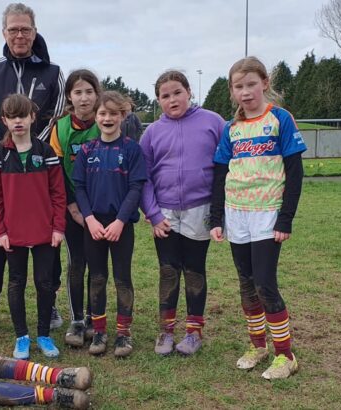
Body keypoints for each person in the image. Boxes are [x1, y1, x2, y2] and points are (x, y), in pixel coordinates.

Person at [0, 1, 66, 335]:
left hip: (38, 165)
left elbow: (54, 113)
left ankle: (49, 303)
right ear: (4, 33)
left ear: (34, 31)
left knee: (45, 236)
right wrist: (3, 149)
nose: (20, 35)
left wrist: (31, 147)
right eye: (13, 29)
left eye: (25, 29)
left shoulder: (53, 72)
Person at [209, 57, 306, 380]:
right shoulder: (231, 128)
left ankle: (285, 355)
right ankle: (258, 345)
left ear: (264, 83)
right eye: (239, 86)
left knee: (265, 284)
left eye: (251, 84)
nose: (246, 92)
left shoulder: (280, 119)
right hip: (237, 214)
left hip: (267, 214)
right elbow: (220, 174)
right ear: (232, 91)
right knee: (246, 284)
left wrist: (285, 219)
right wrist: (217, 216)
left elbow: (295, 173)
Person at [139, 70, 225, 356]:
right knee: (168, 270)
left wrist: (218, 213)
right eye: (165, 96)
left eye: (177, 92)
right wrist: (152, 214)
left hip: (199, 210)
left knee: (194, 270)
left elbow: (227, 168)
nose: (172, 99)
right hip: (164, 212)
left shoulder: (213, 122)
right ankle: (165, 331)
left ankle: (193, 332)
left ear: (189, 92)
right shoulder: (151, 132)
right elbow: (143, 177)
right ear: (158, 101)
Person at [0, 94, 66, 359]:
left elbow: (58, 193)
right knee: (16, 282)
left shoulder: (46, 152)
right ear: (4, 121)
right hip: (12, 234)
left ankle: (44, 334)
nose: (18, 121)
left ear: (33, 117)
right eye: (12, 116)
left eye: (23, 115)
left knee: (45, 283)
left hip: (44, 232)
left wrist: (58, 227)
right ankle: (22, 336)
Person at [72, 91, 147, 357]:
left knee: (122, 278)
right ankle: (100, 332)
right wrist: (89, 219)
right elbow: (79, 187)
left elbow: (136, 187)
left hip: (120, 226)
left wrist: (120, 221)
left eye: (113, 113)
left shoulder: (131, 149)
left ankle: (124, 334)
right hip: (93, 225)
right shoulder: (86, 150)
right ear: (96, 116)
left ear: (123, 116)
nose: (107, 118)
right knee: (98, 277)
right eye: (103, 113)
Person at [48, 69, 101, 347]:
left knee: (97, 263)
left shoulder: (106, 121)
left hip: (100, 207)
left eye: (89, 91)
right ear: (69, 96)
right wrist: (71, 205)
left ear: (97, 94)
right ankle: (77, 319)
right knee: (76, 262)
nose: (84, 98)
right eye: (78, 92)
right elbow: (56, 171)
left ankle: (95, 316)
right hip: (72, 208)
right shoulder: (61, 127)